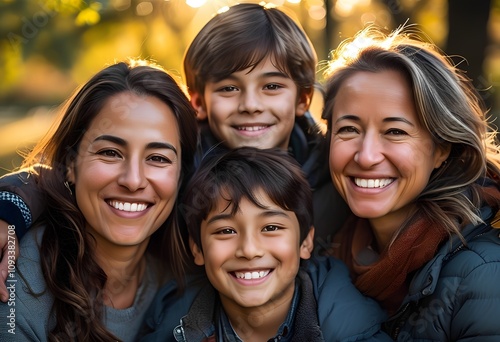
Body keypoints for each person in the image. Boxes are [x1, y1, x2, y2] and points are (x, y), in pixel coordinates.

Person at [0, 2, 350, 302]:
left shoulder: (327, 168)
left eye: (271, 86)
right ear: (198, 101)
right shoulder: (178, 162)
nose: (251, 105)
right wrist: (9, 210)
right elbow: (56, 173)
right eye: (229, 87)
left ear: (303, 98)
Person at [322, 25, 500, 340]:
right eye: (349, 129)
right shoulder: (320, 251)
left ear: (441, 149)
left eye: (395, 132)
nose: (366, 157)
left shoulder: (483, 274)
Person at [0, 59, 198, 341]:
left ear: (180, 176)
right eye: (110, 153)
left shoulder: (185, 279)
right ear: (71, 164)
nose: (133, 180)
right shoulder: (16, 282)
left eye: (157, 158)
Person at [141, 147, 391, 341]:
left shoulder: (352, 330)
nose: (249, 250)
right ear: (197, 249)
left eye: (271, 228)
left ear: (305, 242)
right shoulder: (169, 325)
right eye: (226, 230)